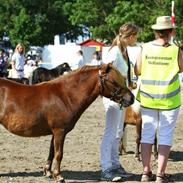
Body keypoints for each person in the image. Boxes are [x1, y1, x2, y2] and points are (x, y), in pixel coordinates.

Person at [135, 16, 183, 183]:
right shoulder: (176, 50)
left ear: (155, 31)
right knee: (165, 136)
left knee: (147, 135)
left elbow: (138, 70)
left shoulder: (145, 48)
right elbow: (181, 68)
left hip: (148, 98)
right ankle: (160, 175)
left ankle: (145, 172)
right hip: (169, 101)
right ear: (171, 32)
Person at [100, 23, 139, 182]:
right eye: (135, 36)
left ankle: (115, 164)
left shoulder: (123, 51)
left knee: (118, 132)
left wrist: (129, 83)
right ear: (130, 36)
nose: (136, 39)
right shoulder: (115, 51)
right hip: (113, 98)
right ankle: (105, 168)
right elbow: (104, 72)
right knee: (111, 132)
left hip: (121, 96)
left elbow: (120, 73)